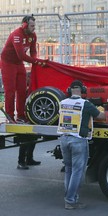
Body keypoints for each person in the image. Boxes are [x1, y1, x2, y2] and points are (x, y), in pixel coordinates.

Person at [0, 15, 46, 170]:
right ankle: (10, 117)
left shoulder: (32, 36)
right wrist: (36, 61)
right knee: (10, 91)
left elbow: (32, 52)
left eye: (35, 25)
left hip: (18, 63)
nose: (34, 28)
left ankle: (20, 116)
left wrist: (36, 61)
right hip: (8, 62)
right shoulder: (17, 35)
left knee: (22, 90)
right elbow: (21, 55)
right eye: (32, 25)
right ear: (25, 24)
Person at [57, 80, 106, 210]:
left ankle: (69, 199)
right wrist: (102, 109)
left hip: (64, 139)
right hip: (78, 140)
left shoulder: (62, 103)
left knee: (69, 170)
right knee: (77, 172)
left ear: (69, 90)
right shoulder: (86, 104)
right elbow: (101, 116)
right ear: (83, 90)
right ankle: (71, 200)